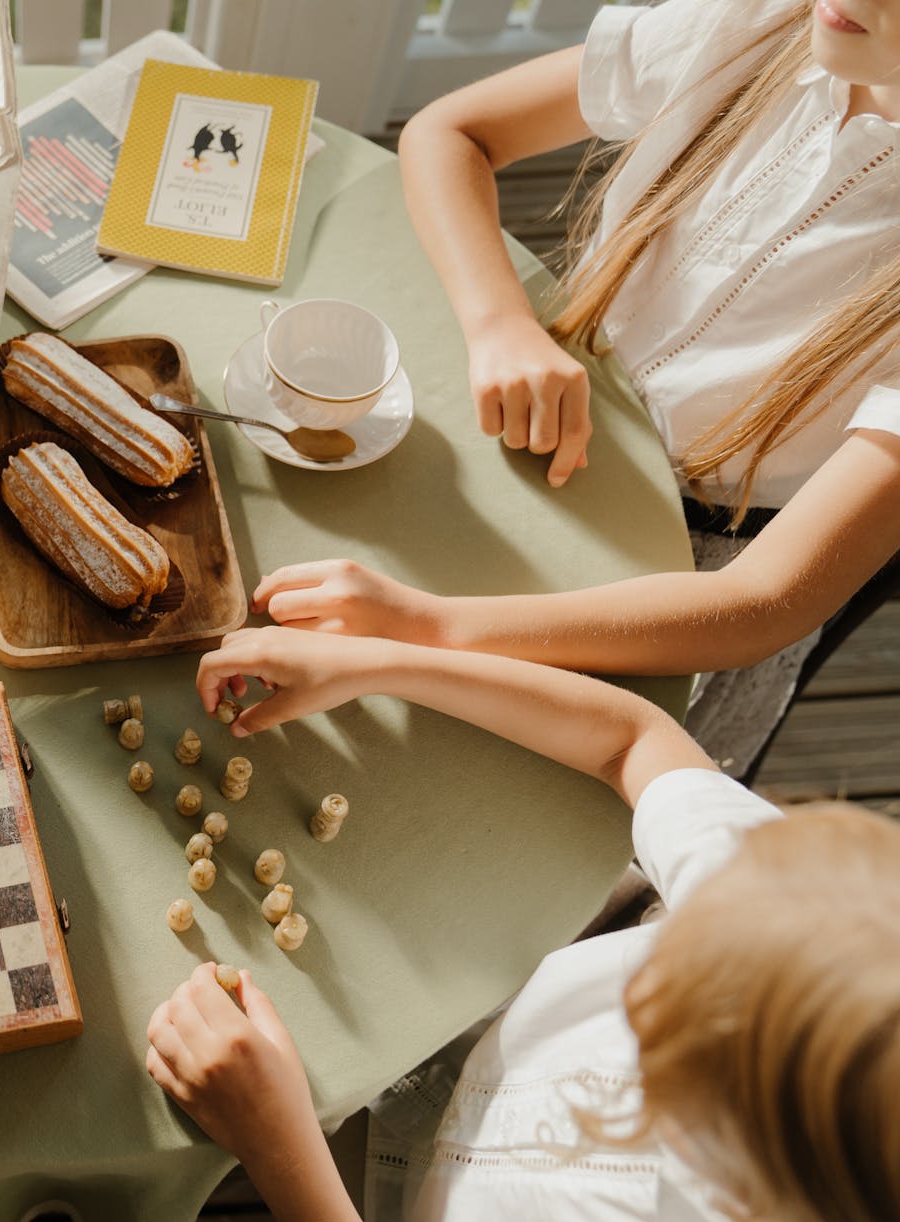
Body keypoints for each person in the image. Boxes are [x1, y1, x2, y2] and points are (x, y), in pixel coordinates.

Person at [250, 0, 900, 773]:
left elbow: (764, 601)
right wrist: (500, 322)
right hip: (544, 431)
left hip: (689, 590)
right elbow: (450, 133)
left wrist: (425, 628)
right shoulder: (755, 24)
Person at [142, 626, 900, 1222]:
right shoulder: (822, 924)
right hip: (481, 1023)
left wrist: (278, 1148)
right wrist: (381, 661)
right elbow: (632, 740)